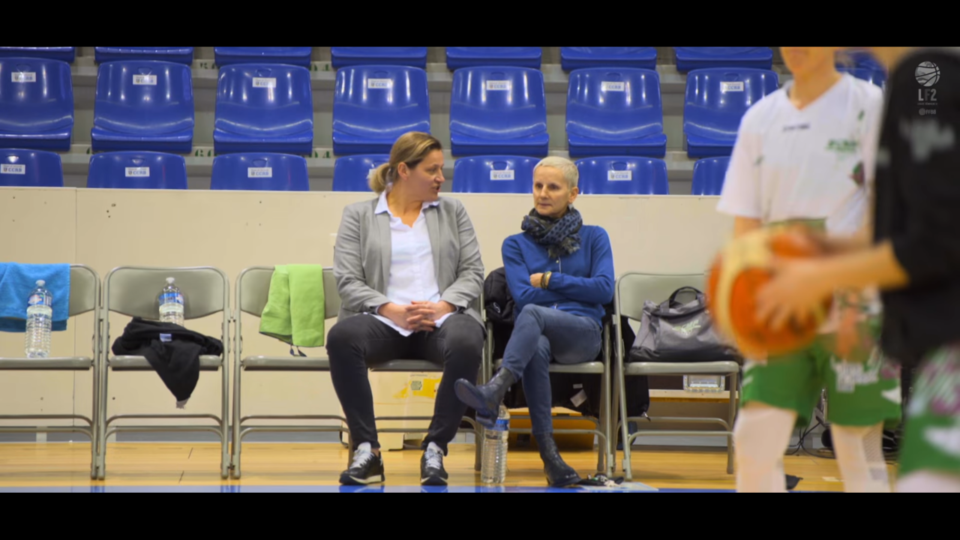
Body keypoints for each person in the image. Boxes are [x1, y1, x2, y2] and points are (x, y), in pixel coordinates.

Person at [756, 47, 960, 492]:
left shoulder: (924, 81)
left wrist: (821, 280)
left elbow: (934, 240)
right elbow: (896, 233)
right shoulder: (910, 84)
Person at [716, 47, 901, 493]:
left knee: (856, 446)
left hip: (855, 304)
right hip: (781, 305)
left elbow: (887, 212)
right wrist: (739, 304)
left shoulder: (870, 106)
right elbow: (746, 228)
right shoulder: (760, 118)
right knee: (755, 439)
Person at [326, 131, 485, 486]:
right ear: (403, 170)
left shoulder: (453, 211)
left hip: (442, 319)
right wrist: (389, 308)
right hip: (384, 321)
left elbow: (474, 273)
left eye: (441, 169)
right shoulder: (359, 215)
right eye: (432, 170)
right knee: (342, 337)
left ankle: (435, 448)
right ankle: (367, 449)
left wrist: (443, 304)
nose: (441, 178)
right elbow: (348, 281)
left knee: (467, 340)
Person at [454, 156, 615, 487]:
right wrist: (572, 293)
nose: (542, 193)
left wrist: (550, 281)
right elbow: (524, 297)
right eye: (538, 186)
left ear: (573, 194)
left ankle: (496, 388)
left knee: (532, 315)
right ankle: (551, 458)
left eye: (553, 187)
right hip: (537, 336)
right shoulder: (515, 244)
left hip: (582, 335)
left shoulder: (596, 237)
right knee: (535, 337)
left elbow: (602, 289)